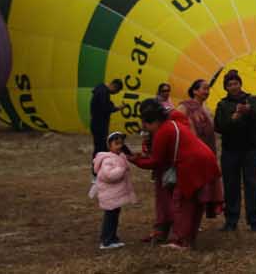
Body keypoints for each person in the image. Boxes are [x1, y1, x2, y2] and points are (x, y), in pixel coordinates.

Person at [131, 98, 221, 249]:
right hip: (206, 160)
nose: (146, 129)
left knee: (182, 203)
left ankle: (180, 241)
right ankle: (188, 240)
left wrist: (135, 160)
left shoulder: (163, 132)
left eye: (146, 125)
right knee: (194, 204)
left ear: (152, 121)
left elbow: (155, 162)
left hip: (191, 165)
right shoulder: (174, 122)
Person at [213, 70, 256, 231]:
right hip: (230, 151)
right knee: (231, 186)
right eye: (230, 85)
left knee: (252, 185)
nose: (233, 87)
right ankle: (231, 220)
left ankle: (254, 220)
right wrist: (232, 119)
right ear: (225, 88)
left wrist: (249, 111)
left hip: (250, 150)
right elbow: (219, 127)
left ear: (240, 84)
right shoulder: (222, 104)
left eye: (235, 83)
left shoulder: (252, 99)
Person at [176, 79, 224, 219]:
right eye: (204, 88)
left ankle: (194, 220)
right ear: (195, 91)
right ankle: (185, 221)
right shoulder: (184, 107)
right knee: (193, 189)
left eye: (208, 89)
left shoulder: (206, 109)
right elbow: (177, 128)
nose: (207, 92)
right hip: (191, 154)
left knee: (203, 188)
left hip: (206, 153)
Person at [91, 131, 139, 250]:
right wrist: (121, 169)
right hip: (110, 196)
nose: (119, 146)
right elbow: (108, 175)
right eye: (116, 143)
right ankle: (106, 241)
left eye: (121, 143)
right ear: (109, 145)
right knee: (110, 218)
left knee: (114, 218)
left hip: (115, 195)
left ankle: (112, 238)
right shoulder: (108, 160)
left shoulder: (119, 157)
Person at [89, 78, 122, 156]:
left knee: (100, 147)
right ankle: (98, 166)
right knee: (101, 148)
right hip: (100, 124)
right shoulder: (103, 92)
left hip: (97, 123)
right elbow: (106, 108)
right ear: (114, 86)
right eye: (116, 91)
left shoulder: (101, 89)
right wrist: (116, 108)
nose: (114, 93)